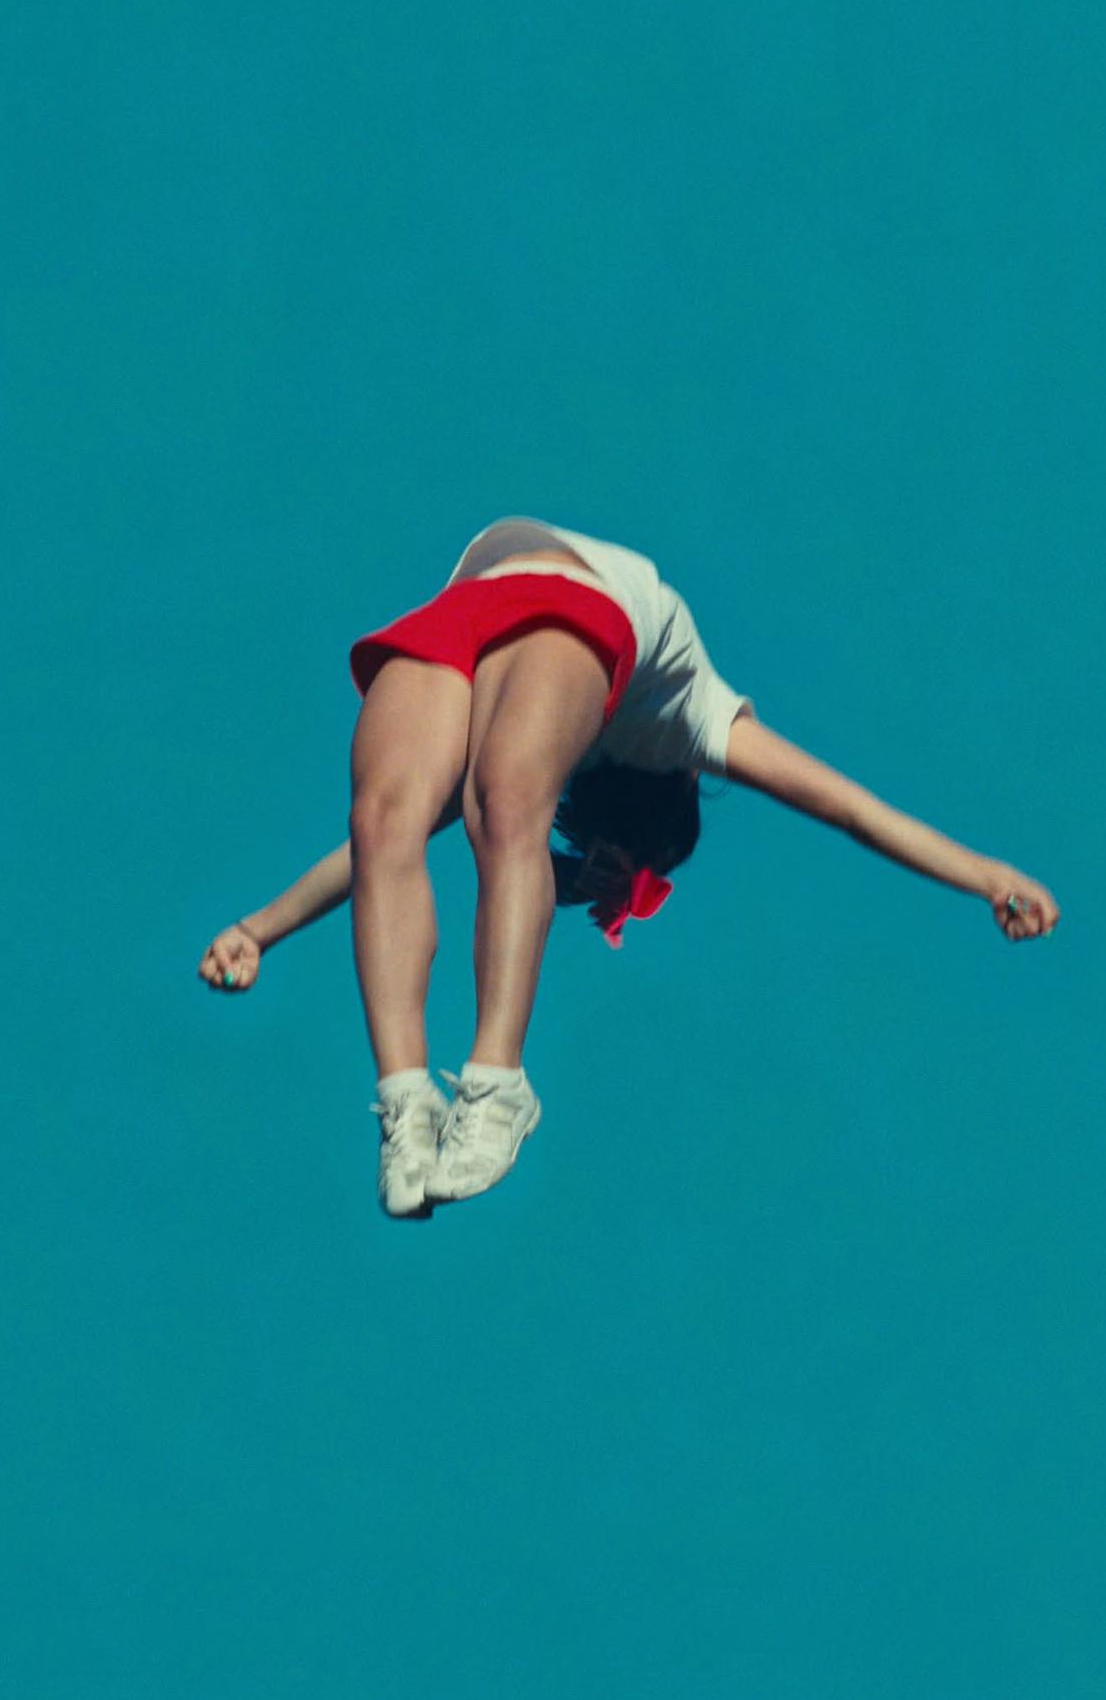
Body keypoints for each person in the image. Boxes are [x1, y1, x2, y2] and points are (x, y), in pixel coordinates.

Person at [199, 518, 1058, 1217]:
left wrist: (984, 875)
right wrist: (257, 930)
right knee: (384, 820)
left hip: (573, 609)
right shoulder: (690, 722)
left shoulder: (686, 722)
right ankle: (405, 1101)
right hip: (473, 605)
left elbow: (846, 809)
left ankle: (494, 1086)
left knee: (501, 803)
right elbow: (364, 857)